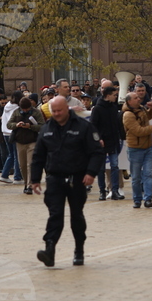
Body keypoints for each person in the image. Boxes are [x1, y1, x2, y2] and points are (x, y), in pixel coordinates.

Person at [29, 96, 105, 267]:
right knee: (55, 215)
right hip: (55, 178)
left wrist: (91, 173)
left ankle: (79, 250)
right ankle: (49, 249)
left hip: (77, 179)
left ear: (67, 108)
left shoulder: (84, 127)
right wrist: (35, 179)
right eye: (53, 111)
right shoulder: (46, 129)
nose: (56, 114)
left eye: (59, 110)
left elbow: (97, 152)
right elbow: (38, 156)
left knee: (76, 215)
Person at [122, 93, 152, 208]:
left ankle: (148, 199)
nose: (139, 99)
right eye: (136, 98)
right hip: (135, 149)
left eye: (138, 97)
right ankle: (137, 199)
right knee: (136, 177)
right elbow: (138, 131)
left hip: (148, 147)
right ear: (129, 101)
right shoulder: (128, 115)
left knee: (148, 174)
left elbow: (147, 117)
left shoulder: (141, 108)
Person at [91, 86, 126, 201]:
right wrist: (98, 139)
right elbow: (93, 126)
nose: (116, 97)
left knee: (115, 166)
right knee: (101, 168)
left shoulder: (113, 107)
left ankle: (114, 190)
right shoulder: (97, 108)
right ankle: (102, 191)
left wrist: (120, 137)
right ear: (108, 95)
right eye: (114, 95)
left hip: (113, 141)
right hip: (101, 143)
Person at [7, 97, 45, 195]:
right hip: (20, 142)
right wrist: (17, 125)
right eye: (23, 109)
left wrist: (31, 127)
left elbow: (42, 126)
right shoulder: (16, 112)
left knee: (30, 164)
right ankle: (25, 183)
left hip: (32, 141)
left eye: (27, 109)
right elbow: (9, 124)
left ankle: (30, 185)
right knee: (22, 165)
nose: (25, 111)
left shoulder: (36, 112)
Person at [0, 91, 23, 184]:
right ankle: (17, 177)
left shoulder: (7, 105)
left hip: (5, 132)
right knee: (16, 155)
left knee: (11, 154)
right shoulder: (17, 108)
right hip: (13, 132)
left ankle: (4, 175)